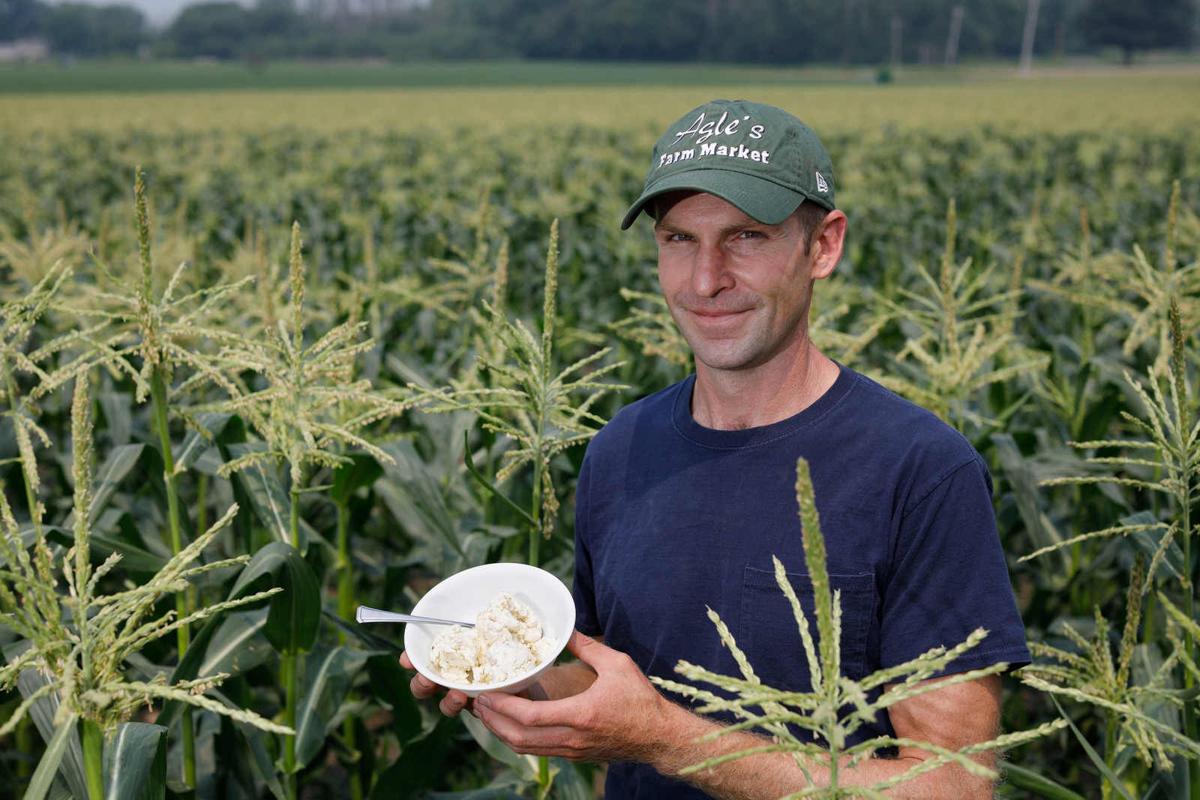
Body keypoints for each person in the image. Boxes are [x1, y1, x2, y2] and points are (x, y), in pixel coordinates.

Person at [400, 99, 1031, 799]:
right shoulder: (621, 449)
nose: (705, 281)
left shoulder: (920, 470)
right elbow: (613, 689)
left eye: (746, 238)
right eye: (678, 240)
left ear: (823, 245)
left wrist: (665, 740)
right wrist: (500, 667)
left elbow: (954, 786)